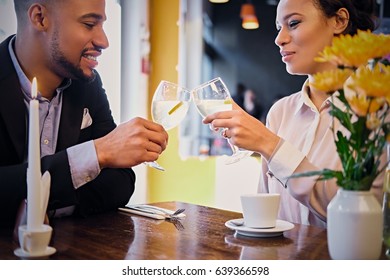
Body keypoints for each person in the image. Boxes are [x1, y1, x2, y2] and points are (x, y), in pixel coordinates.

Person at [203, 0, 381, 228]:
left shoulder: (379, 112)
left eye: (293, 23)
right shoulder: (280, 112)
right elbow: (266, 218)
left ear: (339, 21)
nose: (279, 39)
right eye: (279, 27)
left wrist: (271, 146)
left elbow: (361, 223)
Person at [0, 0, 168, 228]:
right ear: (40, 17)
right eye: (89, 24)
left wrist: (39, 202)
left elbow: (121, 183)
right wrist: (96, 154)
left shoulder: (87, 84)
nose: (104, 41)